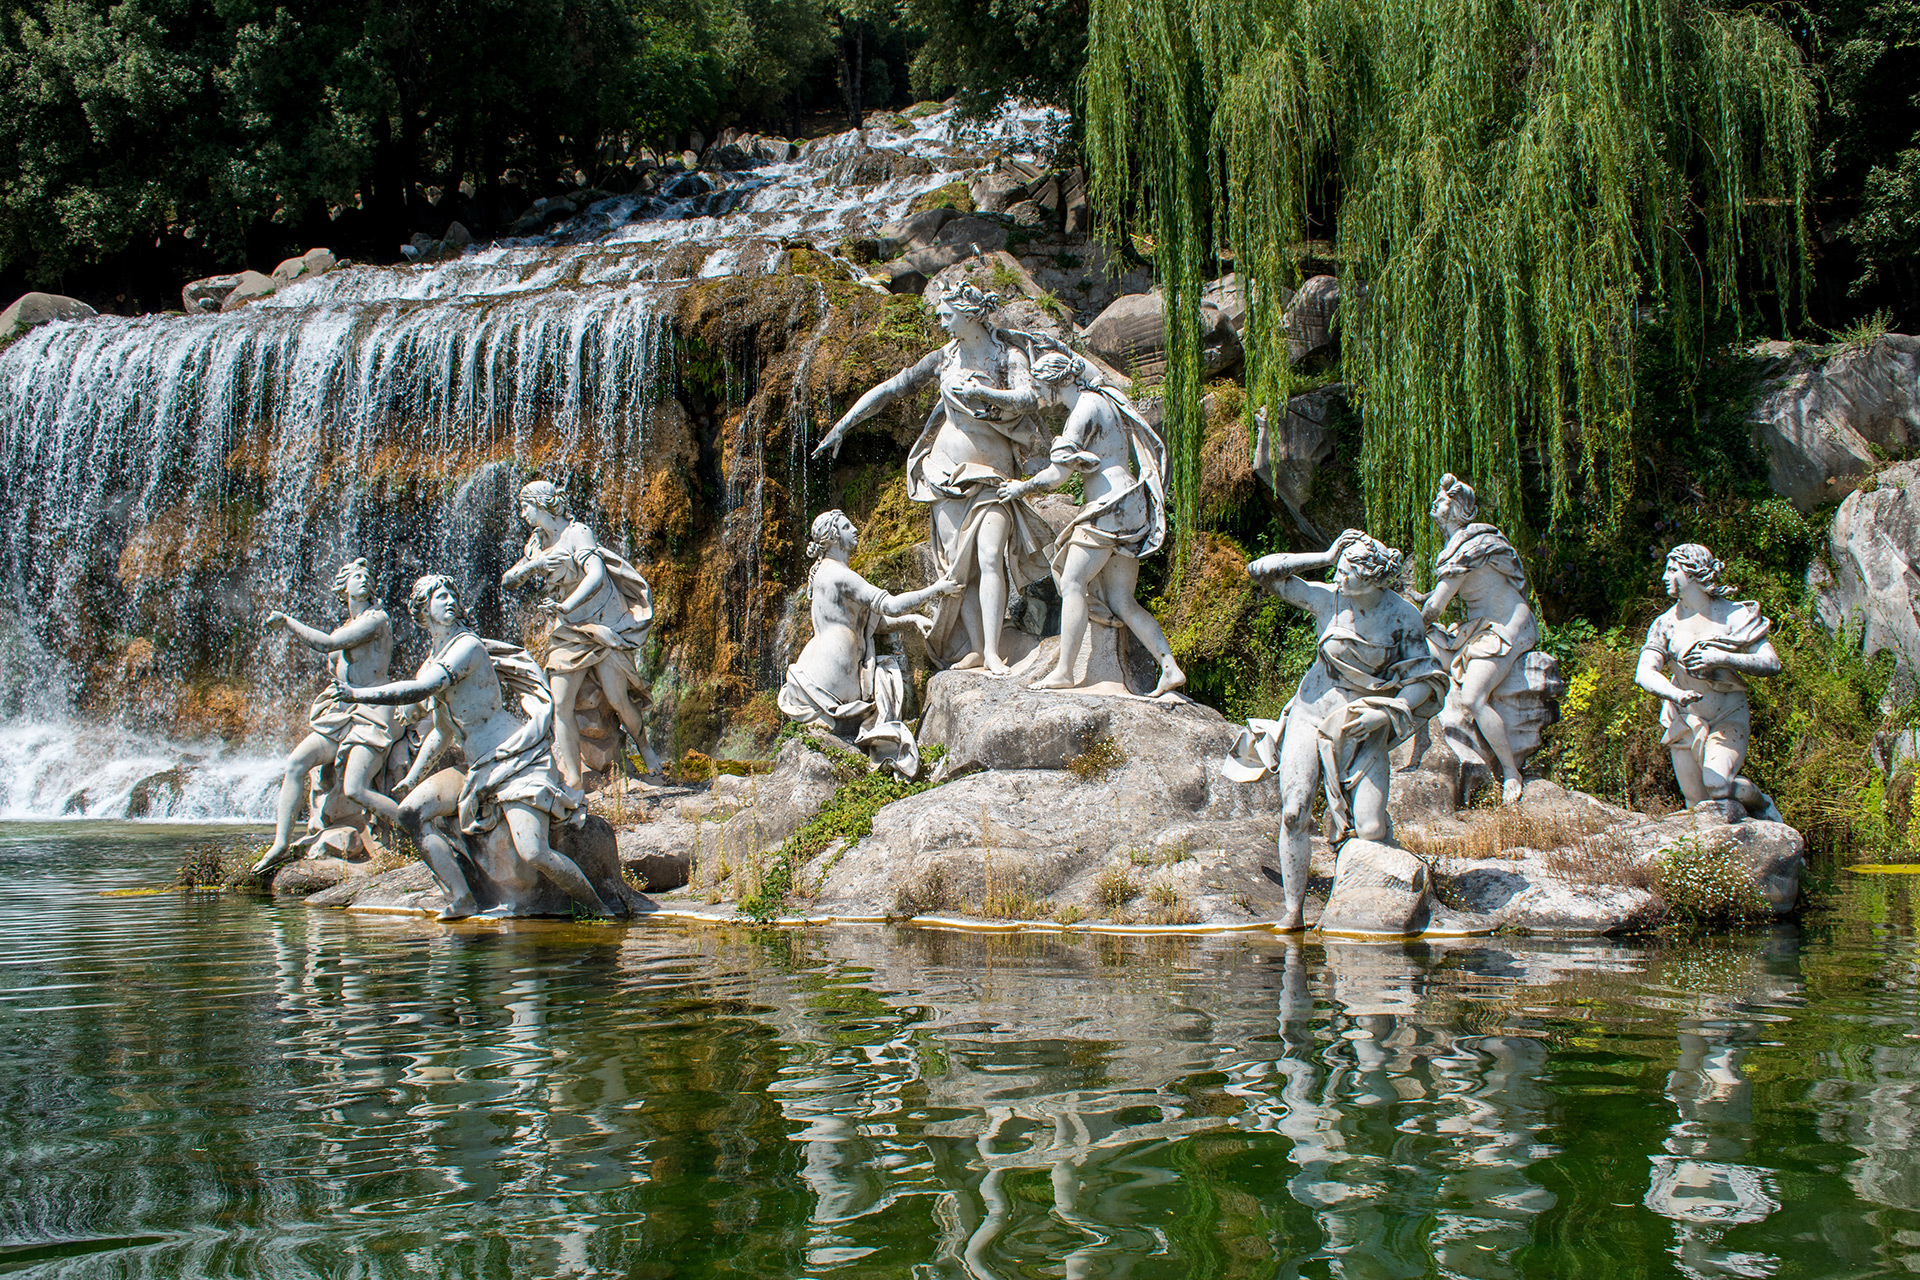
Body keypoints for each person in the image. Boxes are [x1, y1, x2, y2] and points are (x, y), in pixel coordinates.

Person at [332, 574, 615, 920]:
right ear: (423, 611)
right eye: (440, 596)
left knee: (534, 853)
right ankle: (462, 898)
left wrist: (358, 695)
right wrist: (413, 777)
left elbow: (419, 691)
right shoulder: (430, 662)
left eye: (452, 593)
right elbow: (441, 731)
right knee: (409, 813)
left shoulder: (467, 646)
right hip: (477, 767)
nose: (450, 600)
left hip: (515, 759)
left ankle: (601, 910)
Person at [811, 283, 1052, 674]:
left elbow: (1028, 398)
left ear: (970, 314)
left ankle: (993, 651)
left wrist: (985, 391)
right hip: (942, 474)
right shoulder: (944, 358)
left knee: (991, 555)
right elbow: (891, 389)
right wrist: (843, 425)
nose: (940, 321)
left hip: (993, 475)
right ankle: (976, 648)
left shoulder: (1007, 355)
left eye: (947, 314)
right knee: (962, 569)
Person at [1222, 531, 1446, 930]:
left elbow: (1424, 679)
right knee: (1294, 811)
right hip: (1312, 709)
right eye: (1337, 569)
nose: (1338, 577)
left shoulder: (1402, 617)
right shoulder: (1327, 597)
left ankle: (1375, 893)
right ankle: (1294, 910)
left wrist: (1391, 711)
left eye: (1347, 572)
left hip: (1364, 719)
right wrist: (1325, 555)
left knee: (1372, 827)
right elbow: (1261, 571)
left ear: (1375, 580)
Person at [994, 347, 1185, 697]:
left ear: (1057, 382)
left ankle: (1065, 671)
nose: (1037, 395)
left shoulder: (1083, 409)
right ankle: (1169, 666)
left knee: (1070, 581)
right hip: (1132, 505)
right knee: (1122, 600)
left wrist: (1021, 487)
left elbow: (1057, 475)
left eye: (1039, 387)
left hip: (1108, 507)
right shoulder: (1105, 399)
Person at [500, 479, 663, 789]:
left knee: (618, 699)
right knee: (560, 703)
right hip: (568, 631)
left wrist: (565, 604)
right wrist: (532, 566)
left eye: (525, 507)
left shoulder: (578, 533)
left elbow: (597, 574)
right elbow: (509, 580)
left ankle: (645, 747)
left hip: (601, 625)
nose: (522, 514)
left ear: (542, 504)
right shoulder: (536, 543)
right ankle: (574, 779)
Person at [778, 510, 961, 777]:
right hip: (827, 676)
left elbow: (876, 623)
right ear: (833, 537)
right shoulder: (838, 574)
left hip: (815, 669)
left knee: (884, 671)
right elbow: (888, 605)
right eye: (846, 526)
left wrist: (912, 619)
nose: (855, 529)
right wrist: (936, 589)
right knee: (886, 672)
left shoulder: (825, 573)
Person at [251, 558, 396, 875]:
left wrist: (288, 622)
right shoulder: (346, 625)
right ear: (344, 586)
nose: (365, 580)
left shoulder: (377, 619)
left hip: (371, 708)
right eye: (357, 576)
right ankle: (279, 843)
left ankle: (409, 832)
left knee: (354, 787)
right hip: (341, 710)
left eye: (368, 575)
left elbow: (330, 645)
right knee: (295, 764)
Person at [1416, 474, 1539, 804]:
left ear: (1457, 510)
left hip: (1506, 627)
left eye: (1442, 501)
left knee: (1473, 698)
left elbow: (1436, 607)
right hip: (1478, 628)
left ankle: (1511, 772)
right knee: (1425, 649)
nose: (1435, 503)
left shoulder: (1469, 549)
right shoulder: (1460, 546)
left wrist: (1412, 619)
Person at [1635, 544, 1782, 816]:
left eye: (1672, 570)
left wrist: (1722, 658)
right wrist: (1674, 694)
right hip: (1684, 718)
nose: (1665, 577)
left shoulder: (1733, 614)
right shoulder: (1665, 623)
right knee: (1697, 806)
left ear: (1692, 574)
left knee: (1718, 785)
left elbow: (1771, 663)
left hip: (1727, 715)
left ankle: (1763, 806)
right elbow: (1643, 672)